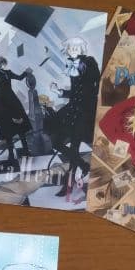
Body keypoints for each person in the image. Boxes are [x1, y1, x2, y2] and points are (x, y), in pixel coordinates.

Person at [49, 37, 101, 197]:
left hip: (85, 111)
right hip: (73, 109)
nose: (73, 50)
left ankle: (69, 184)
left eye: (76, 48)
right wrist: (60, 92)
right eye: (71, 48)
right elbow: (75, 91)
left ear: (82, 49)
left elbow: (94, 85)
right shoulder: (71, 64)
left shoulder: (89, 62)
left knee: (74, 147)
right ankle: (83, 166)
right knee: (56, 142)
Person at [0, 56, 33, 168]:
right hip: (2, 103)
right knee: (7, 130)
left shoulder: (8, 72)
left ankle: (26, 150)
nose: (0, 65)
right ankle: (11, 155)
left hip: (13, 101)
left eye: (1, 63)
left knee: (21, 128)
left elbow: (19, 77)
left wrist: (26, 72)